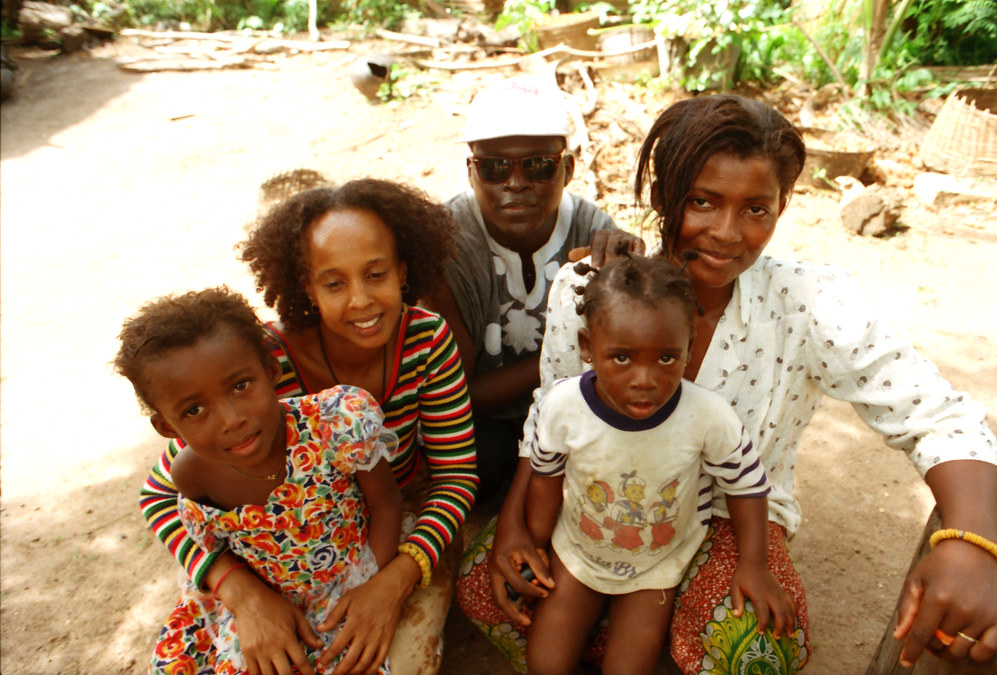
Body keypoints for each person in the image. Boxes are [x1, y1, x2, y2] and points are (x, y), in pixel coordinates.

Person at [457, 94, 997, 673]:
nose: (726, 233)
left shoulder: (808, 304)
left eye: (756, 209)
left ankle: (663, 624)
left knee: (750, 646)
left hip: (732, 519)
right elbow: (552, 411)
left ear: (782, 206)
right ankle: (637, 625)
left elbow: (939, 417)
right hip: (604, 507)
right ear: (664, 194)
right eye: (702, 201)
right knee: (491, 591)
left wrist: (972, 544)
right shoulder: (590, 288)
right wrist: (515, 525)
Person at [139, 180, 479, 675]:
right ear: (306, 288)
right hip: (281, 561)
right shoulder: (256, 370)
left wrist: (392, 581)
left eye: (376, 273)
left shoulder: (426, 339)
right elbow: (160, 495)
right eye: (334, 283)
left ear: (403, 272)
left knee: (397, 663)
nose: (361, 300)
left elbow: (456, 479)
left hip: (398, 529)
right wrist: (245, 594)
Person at [524, 254, 795, 675]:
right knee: (545, 663)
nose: (645, 379)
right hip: (576, 553)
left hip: (657, 566)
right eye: (622, 358)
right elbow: (544, 477)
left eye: (666, 358)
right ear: (586, 348)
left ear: (689, 349)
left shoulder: (707, 416)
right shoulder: (562, 406)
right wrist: (536, 543)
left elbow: (746, 486)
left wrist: (753, 564)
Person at [115, 287, 404, 675]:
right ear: (168, 426)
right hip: (256, 601)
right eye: (195, 409)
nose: (230, 419)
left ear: (271, 371)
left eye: (240, 386)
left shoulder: (336, 424)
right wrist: (242, 599)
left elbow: (387, 505)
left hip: (347, 584)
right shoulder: (189, 473)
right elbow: (213, 545)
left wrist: (367, 588)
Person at [430, 77, 643, 502]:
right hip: (483, 427)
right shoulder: (444, 243)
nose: (515, 182)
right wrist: (567, 356)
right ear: (471, 171)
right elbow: (456, 397)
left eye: (538, 165)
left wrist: (636, 279)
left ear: (568, 169)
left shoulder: (594, 232)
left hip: (573, 419)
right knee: (480, 460)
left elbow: (632, 369)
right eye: (493, 167)